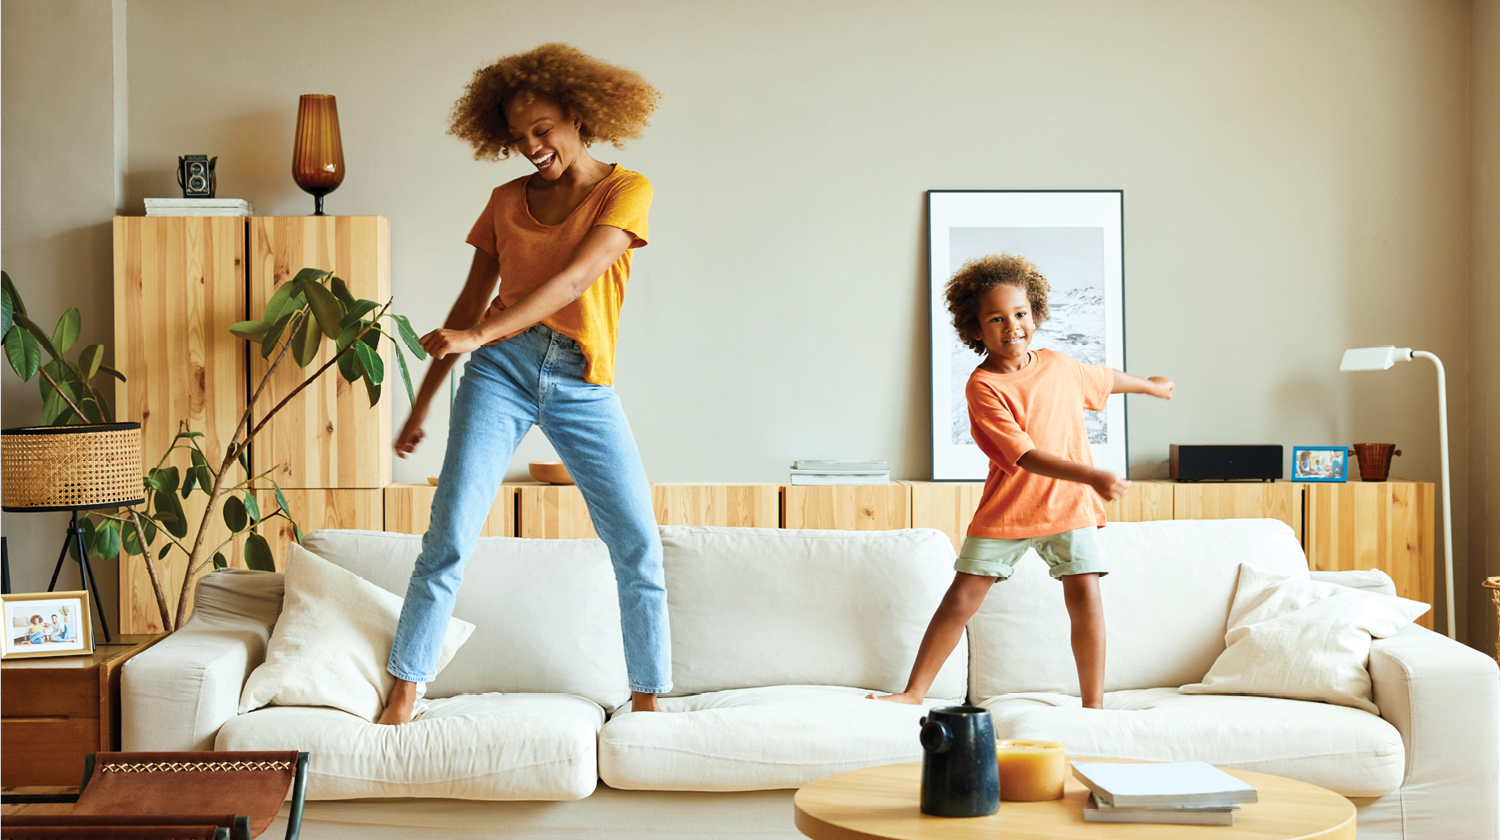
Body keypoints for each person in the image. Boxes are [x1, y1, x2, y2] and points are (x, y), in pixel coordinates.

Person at [377, 44, 671, 725]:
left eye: (541, 130)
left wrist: (480, 332)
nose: (531, 147)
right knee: (448, 537)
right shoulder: (505, 201)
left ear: (578, 113)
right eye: (517, 138)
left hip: (580, 379)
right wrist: (422, 403)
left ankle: (650, 703)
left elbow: (574, 280)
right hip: (499, 375)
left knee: (636, 545)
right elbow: (465, 305)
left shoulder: (627, 190)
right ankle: (403, 693)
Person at [872, 253, 1174, 710]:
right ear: (975, 329)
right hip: (1009, 509)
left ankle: (1094, 705)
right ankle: (913, 693)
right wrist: (1092, 475)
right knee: (960, 600)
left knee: (1086, 596)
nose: (1012, 326)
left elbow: (1104, 378)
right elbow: (1026, 456)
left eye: (1020, 314)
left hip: (1068, 508)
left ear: (1035, 315)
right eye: (996, 318)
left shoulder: (1058, 364)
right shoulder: (984, 387)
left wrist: (1150, 385)